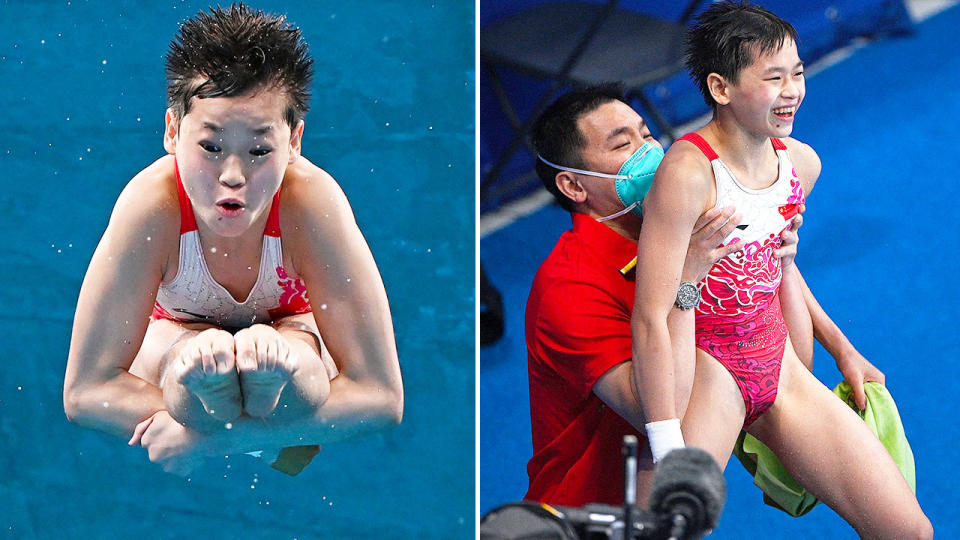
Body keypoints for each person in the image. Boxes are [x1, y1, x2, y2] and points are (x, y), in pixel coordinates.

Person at [630, 2, 931, 537]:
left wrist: (843, 348)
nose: (793, 89)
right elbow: (651, 316)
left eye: (797, 72)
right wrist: (667, 443)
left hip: (781, 366)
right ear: (720, 88)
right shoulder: (688, 175)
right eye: (773, 77)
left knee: (908, 531)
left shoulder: (800, 165)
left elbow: (775, 267)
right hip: (709, 374)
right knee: (664, 532)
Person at [63, 3, 403, 476]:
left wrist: (207, 442)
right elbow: (85, 392)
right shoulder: (151, 205)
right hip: (177, 344)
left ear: (295, 142)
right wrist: (267, 443)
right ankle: (230, 378)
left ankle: (267, 374)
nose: (233, 175)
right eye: (211, 146)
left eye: (261, 150)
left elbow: (382, 396)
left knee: (292, 358)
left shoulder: (312, 204)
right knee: (186, 362)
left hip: (291, 350)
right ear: (172, 131)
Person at [523, 83, 864, 508]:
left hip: (674, 468)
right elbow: (656, 413)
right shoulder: (569, 289)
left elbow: (762, 271)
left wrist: (841, 347)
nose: (649, 153)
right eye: (622, 145)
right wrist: (689, 278)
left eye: (646, 135)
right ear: (574, 186)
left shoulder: (678, 217)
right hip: (597, 507)